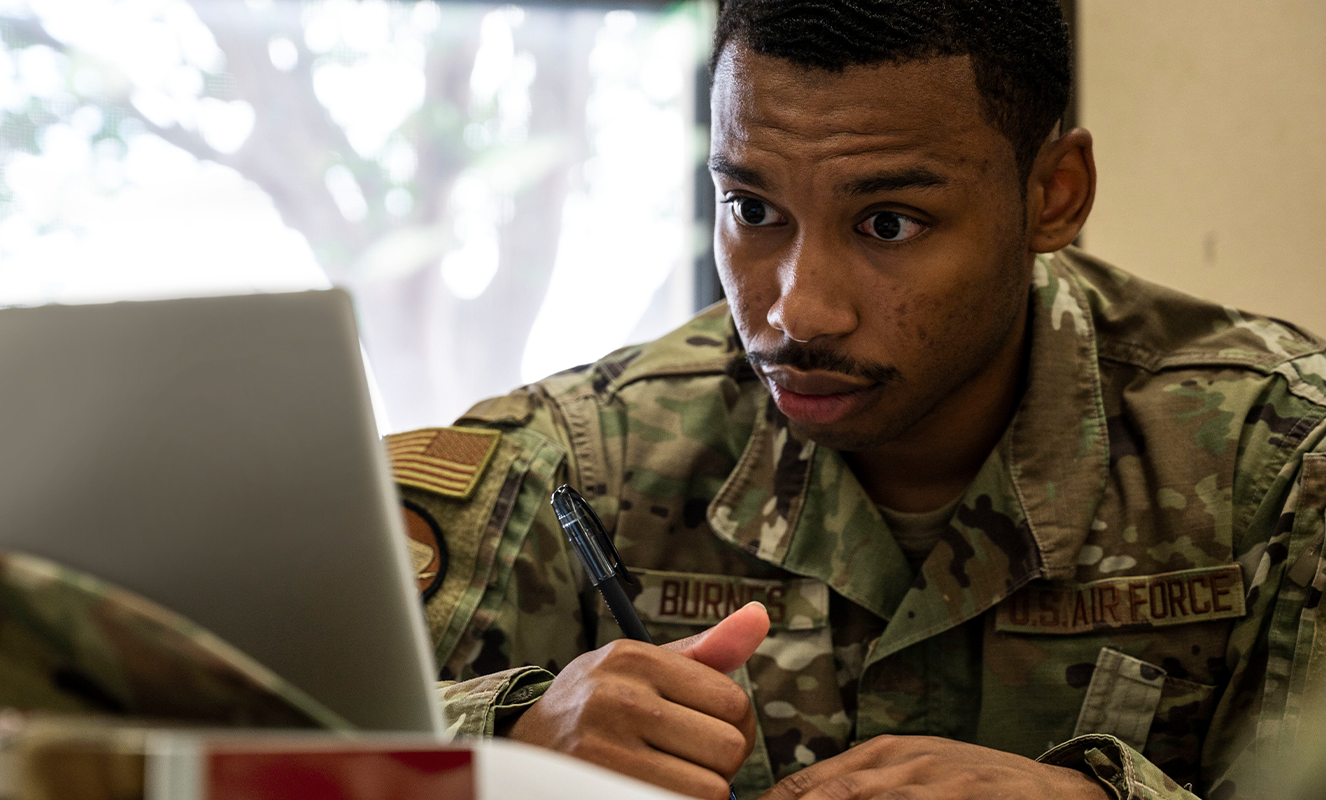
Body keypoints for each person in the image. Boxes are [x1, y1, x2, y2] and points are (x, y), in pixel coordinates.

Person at [393, 2, 1326, 799]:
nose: (798, 309)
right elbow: (274, 732)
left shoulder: (1280, 461)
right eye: (753, 210)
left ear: (1054, 194)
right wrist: (505, 748)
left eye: (888, 223)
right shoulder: (584, 455)